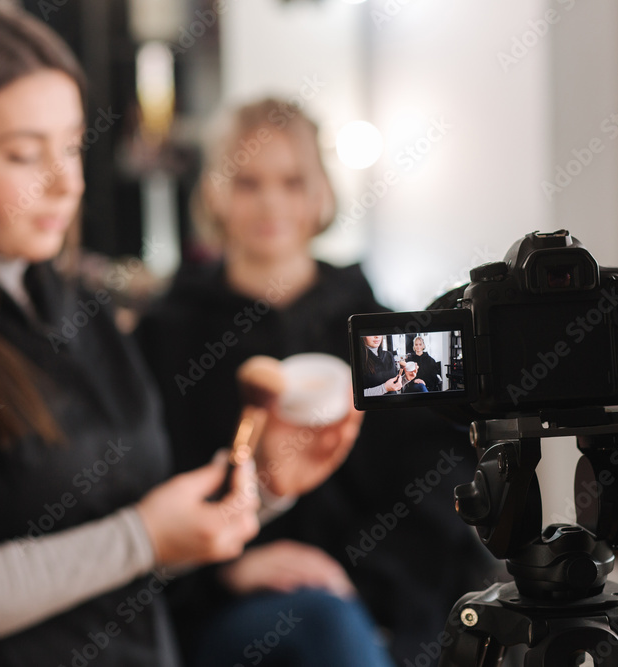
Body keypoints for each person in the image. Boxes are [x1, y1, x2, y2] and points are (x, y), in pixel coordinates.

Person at [0, 7, 342, 666]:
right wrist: (143, 538)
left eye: (70, 146)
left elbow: (138, 533)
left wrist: (265, 485)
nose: (67, 182)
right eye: (23, 153)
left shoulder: (83, 313)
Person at [135, 98, 494, 665]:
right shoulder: (166, 335)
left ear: (321, 192)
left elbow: (437, 485)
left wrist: (356, 584)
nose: (271, 202)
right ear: (215, 192)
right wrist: (231, 569)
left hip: (375, 609)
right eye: (249, 182)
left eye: (292, 181)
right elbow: (146, 490)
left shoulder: (380, 332)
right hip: (217, 610)